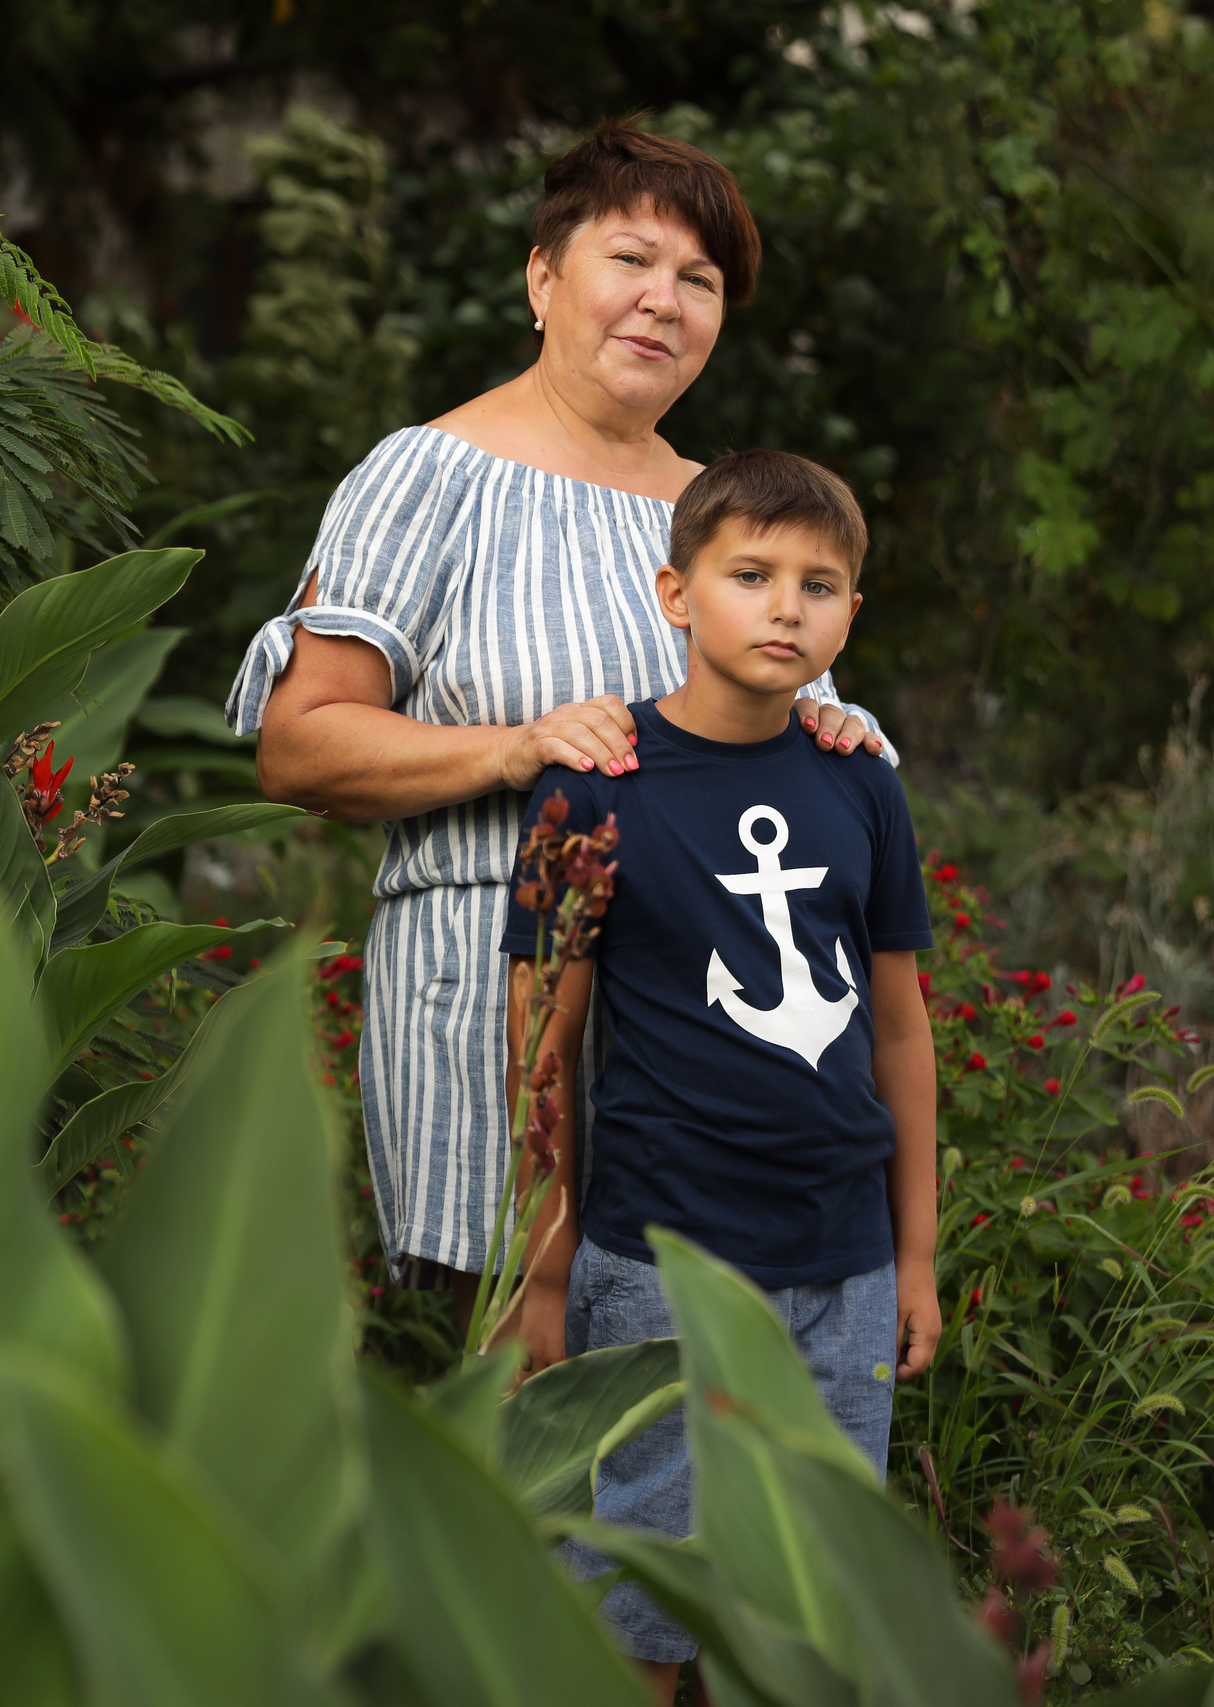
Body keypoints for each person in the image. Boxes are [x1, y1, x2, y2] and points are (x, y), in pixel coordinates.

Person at [230, 120, 893, 1302]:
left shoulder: (722, 514)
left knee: (691, 1443)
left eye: (697, 280)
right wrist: (516, 748)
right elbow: (299, 743)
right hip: (495, 1022)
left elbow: (808, 728)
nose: (662, 302)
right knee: (525, 1431)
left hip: (704, 1068)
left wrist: (838, 734)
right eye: (630, 261)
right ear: (543, 280)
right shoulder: (429, 473)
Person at [496, 449, 940, 1702]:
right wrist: (546, 1267)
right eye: (750, 574)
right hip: (661, 1264)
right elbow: (540, 1039)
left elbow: (899, 1031)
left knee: (809, 1604)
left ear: (853, 612)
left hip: (844, 1261)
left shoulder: (864, 784)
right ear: (675, 591)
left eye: (821, 583)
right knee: (636, 1593)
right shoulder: (587, 791)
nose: (786, 606)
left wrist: (913, 1254)